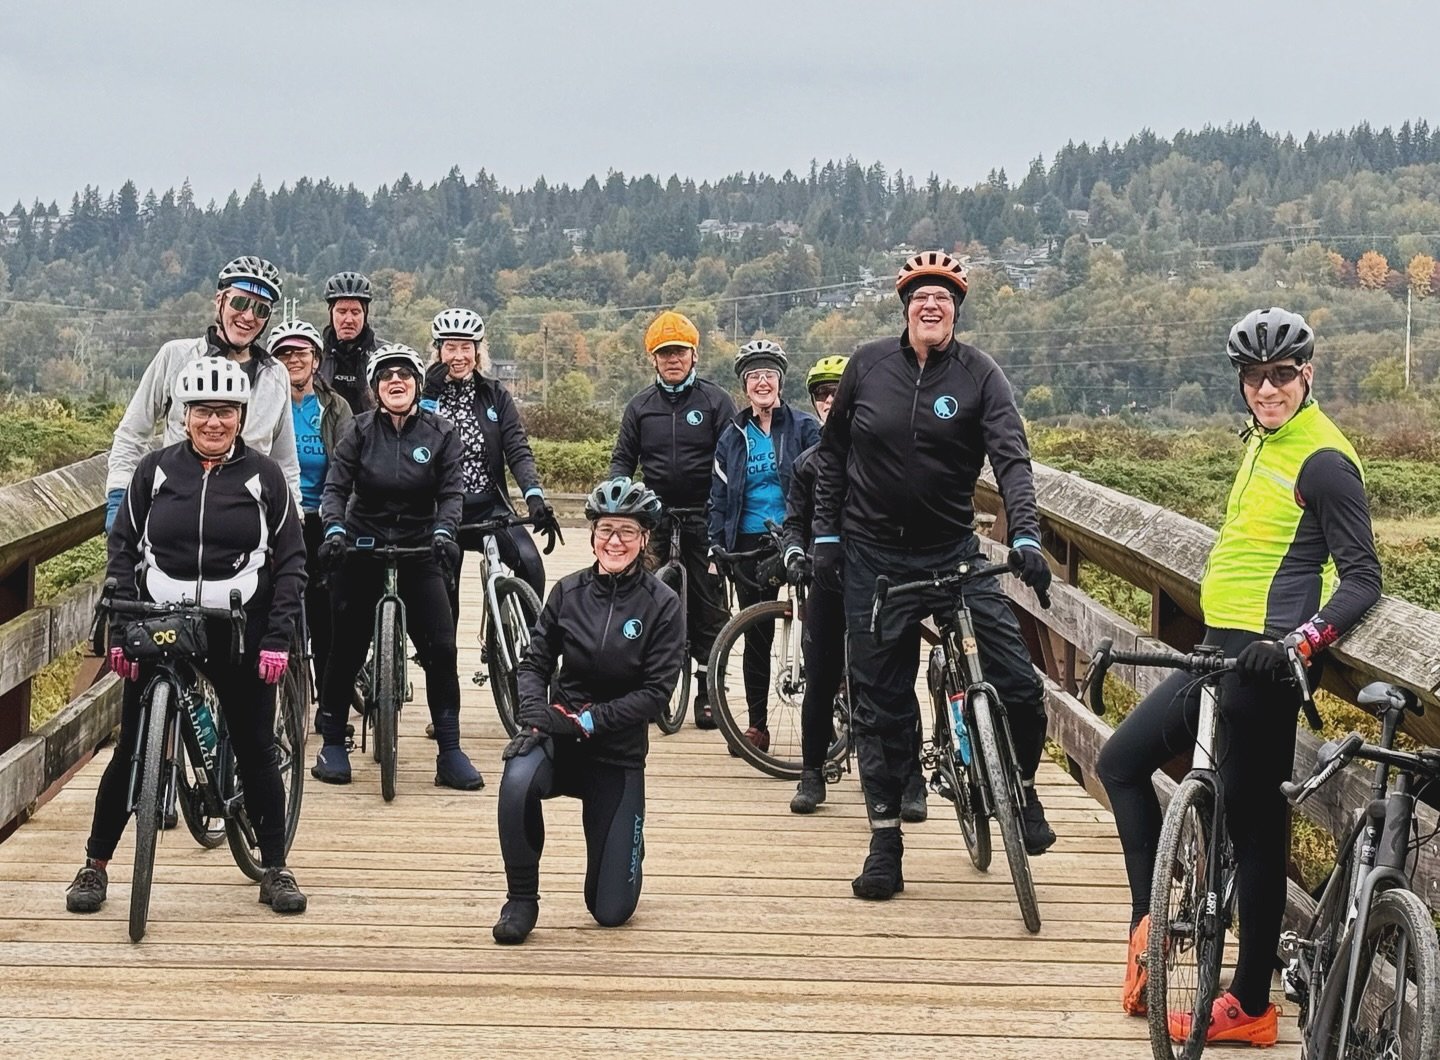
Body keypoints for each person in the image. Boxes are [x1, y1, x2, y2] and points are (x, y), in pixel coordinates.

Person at [1097, 307, 1381, 1046]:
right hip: (1218, 651)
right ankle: (1149, 930)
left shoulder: (1323, 458)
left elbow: (1362, 580)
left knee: (1255, 826)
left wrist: (1299, 643)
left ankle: (1250, 1003)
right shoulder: (1261, 441)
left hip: (1267, 664)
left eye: (1281, 376)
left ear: (1307, 375)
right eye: (1255, 377)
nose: (1267, 388)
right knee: (1121, 762)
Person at [812, 250, 1056, 901]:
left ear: (956, 310)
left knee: (1020, 688)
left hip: (953, 552)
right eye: (921, 295)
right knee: (881, 706)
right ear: (905, 306)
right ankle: (885, 842)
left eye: (943, 297)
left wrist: (1026, 536)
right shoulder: (868, 365)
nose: (931, 304)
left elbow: (1012, 457)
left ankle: (1023, 791)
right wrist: (828, 537)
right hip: (874, 558)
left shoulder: (980, 375)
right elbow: (831, 457)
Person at [67, 357, 308, 917]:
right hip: (160, 623)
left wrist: (278, 638)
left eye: (225, 412)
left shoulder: (264, 477)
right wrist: (123, 634)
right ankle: (95, 865)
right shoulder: (153, 473)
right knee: (129, 751)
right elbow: (122, 553)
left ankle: (275, 865)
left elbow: (292, 561)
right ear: (184, 415)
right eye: (203, 411)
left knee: (253, 746)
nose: (214, 422)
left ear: (241, 415)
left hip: (238, 626)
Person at [491, 477, 683, 945]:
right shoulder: (568, 592)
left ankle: (620, 847)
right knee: (516, 779)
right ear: (592, 533)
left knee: (610, 911)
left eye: (626, 531)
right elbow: (534, 663)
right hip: (559, 736)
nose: (614, 541)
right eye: (605, 530)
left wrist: (590, 720)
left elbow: (656, 693)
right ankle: (521, 899)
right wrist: (536, 716)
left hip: (615, 754)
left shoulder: (663, 605)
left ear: (643, 539)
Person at [312, 343, 484, 792]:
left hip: (419, 546)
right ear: (374, 388)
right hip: (363, 543)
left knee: (441, 648)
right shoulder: (359, 431)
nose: (396, 380)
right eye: (386, 375)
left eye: (404, 374)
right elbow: (336, 487)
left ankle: (449, 750)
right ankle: (332, 742)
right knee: (345, 645)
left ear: (417, 383)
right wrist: (334, 530)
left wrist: (446, 532)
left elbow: (451, 494)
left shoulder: (441, 432)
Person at [105, 256, 299, 530]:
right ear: (219, 301)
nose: (248, 317)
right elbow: (132, 433)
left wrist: (293, 519)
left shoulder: (276, 374)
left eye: (261, 310)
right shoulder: (175, 356)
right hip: (175, 513)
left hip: (247, 522)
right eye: (240, 303)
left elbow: (285, 462)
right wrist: (118, 495)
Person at [609, 310, 736, 728]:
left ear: (694, 354)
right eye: (664, 354)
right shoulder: (640, 406)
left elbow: (731, 461)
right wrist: (617, 499)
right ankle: (648, 684)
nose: (672, 359)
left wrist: (722, 511)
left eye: (679, 352)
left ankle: (707, 688)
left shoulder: (716, 401)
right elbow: (623, 460)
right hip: (656, 514)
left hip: (705, 513)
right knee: (641, 595)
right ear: (653, 359)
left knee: (709, 602)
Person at [708, 340, 820, 752]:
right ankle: (757, 725)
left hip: (798, 535)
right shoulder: (733, 436)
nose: (762, 382)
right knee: (757, 632)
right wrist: (714, 547)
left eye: (769, 375)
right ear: (744, 385)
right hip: (750, 544)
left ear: (780, 381)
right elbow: (718, 495)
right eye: (754, 376)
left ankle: (825, 718)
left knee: (816, 628)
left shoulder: (805, 427)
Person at [420, 307, 558, 610]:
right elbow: (413, 448)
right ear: (438, 351)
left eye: (466, 347)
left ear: (478, 352)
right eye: (450, 347)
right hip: (439, 509)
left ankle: (523, 645)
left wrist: (535, 496)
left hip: (488, 506)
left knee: (532, 565)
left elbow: (518, 450)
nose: (458, 356)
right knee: (443, 597)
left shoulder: (495, 394)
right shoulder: (422, 395)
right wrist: (428, 399)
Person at [269, 320, 352, 715]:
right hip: (278, 517)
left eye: (300, 352)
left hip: (322, 515)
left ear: (316, 360)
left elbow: (349, 462)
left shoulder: (335, 407)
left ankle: (330, 703)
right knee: (277, 606)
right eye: (283, 353)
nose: (292, 360)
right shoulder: (264, 405)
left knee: (327, 613)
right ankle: (284, 696)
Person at [780, 355, 849, 813]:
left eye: (838, 392)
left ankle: (907, 783)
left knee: (885, 677)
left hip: (874, 574)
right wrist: (795, 552)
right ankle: (811, 773)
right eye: (822, 394)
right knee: (821, 673)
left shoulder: (882, 455)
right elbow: (793, 522)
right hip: (825, 578)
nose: (829, 401)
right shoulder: (807, 463)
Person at [317, 271, 382, 414]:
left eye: (355, 312)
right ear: (331, 313)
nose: (348, 319)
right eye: (342, 311)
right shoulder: (315, 354)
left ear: (365, 315)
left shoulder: (383, 355)